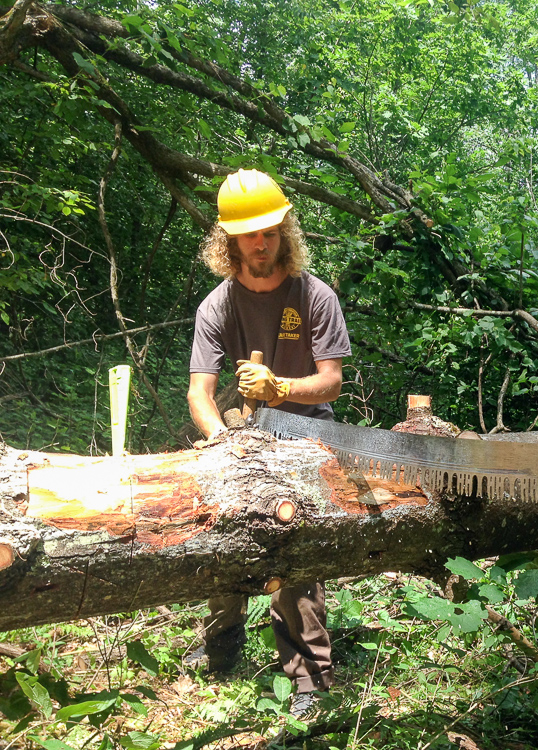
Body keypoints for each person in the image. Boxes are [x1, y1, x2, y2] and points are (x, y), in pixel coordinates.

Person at [186, 168, 352, 716]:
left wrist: (280, 388)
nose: (262, 243)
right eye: (251, 233)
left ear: (286, 231)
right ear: (228, 239)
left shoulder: (314, 296)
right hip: (242, 430)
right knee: (225, 520)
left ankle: (307, 676)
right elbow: (200, 393)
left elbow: (331, 380)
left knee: (294, 532)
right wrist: (221, 445)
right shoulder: (217, 306)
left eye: (272, 231)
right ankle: (220, 642)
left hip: (310, 429)